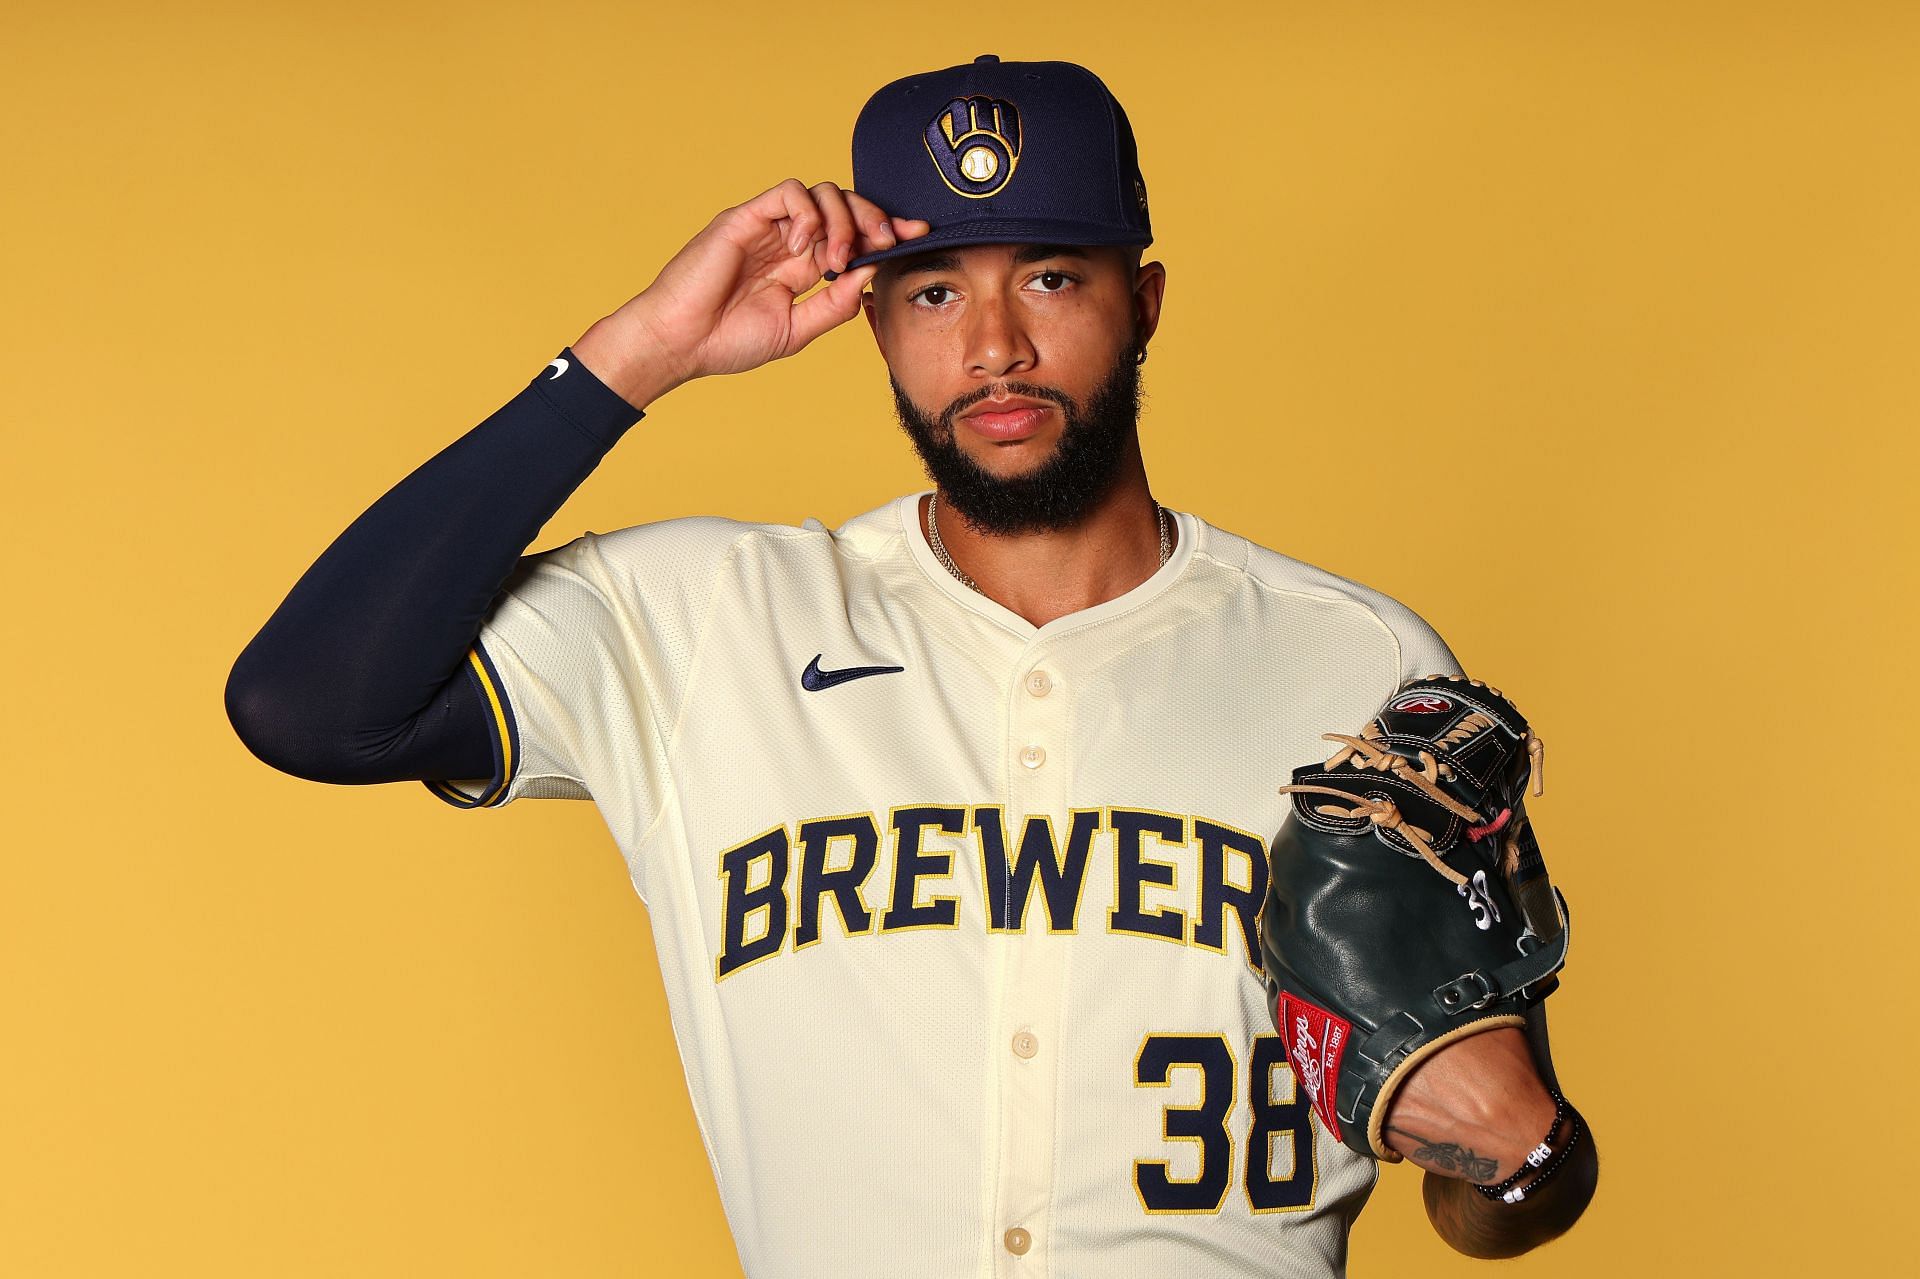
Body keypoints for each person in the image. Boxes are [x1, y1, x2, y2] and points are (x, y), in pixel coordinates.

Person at [227, 54, 1595, 1276]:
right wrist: (635, 354)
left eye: (1051, 277)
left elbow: (1491, 1192)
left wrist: (1528, 1150)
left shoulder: (1355, 659)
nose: (993, 346)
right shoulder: (708, 622)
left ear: (1147, 302)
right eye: (935, 291)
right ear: (873, 320)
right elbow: (311, 703)